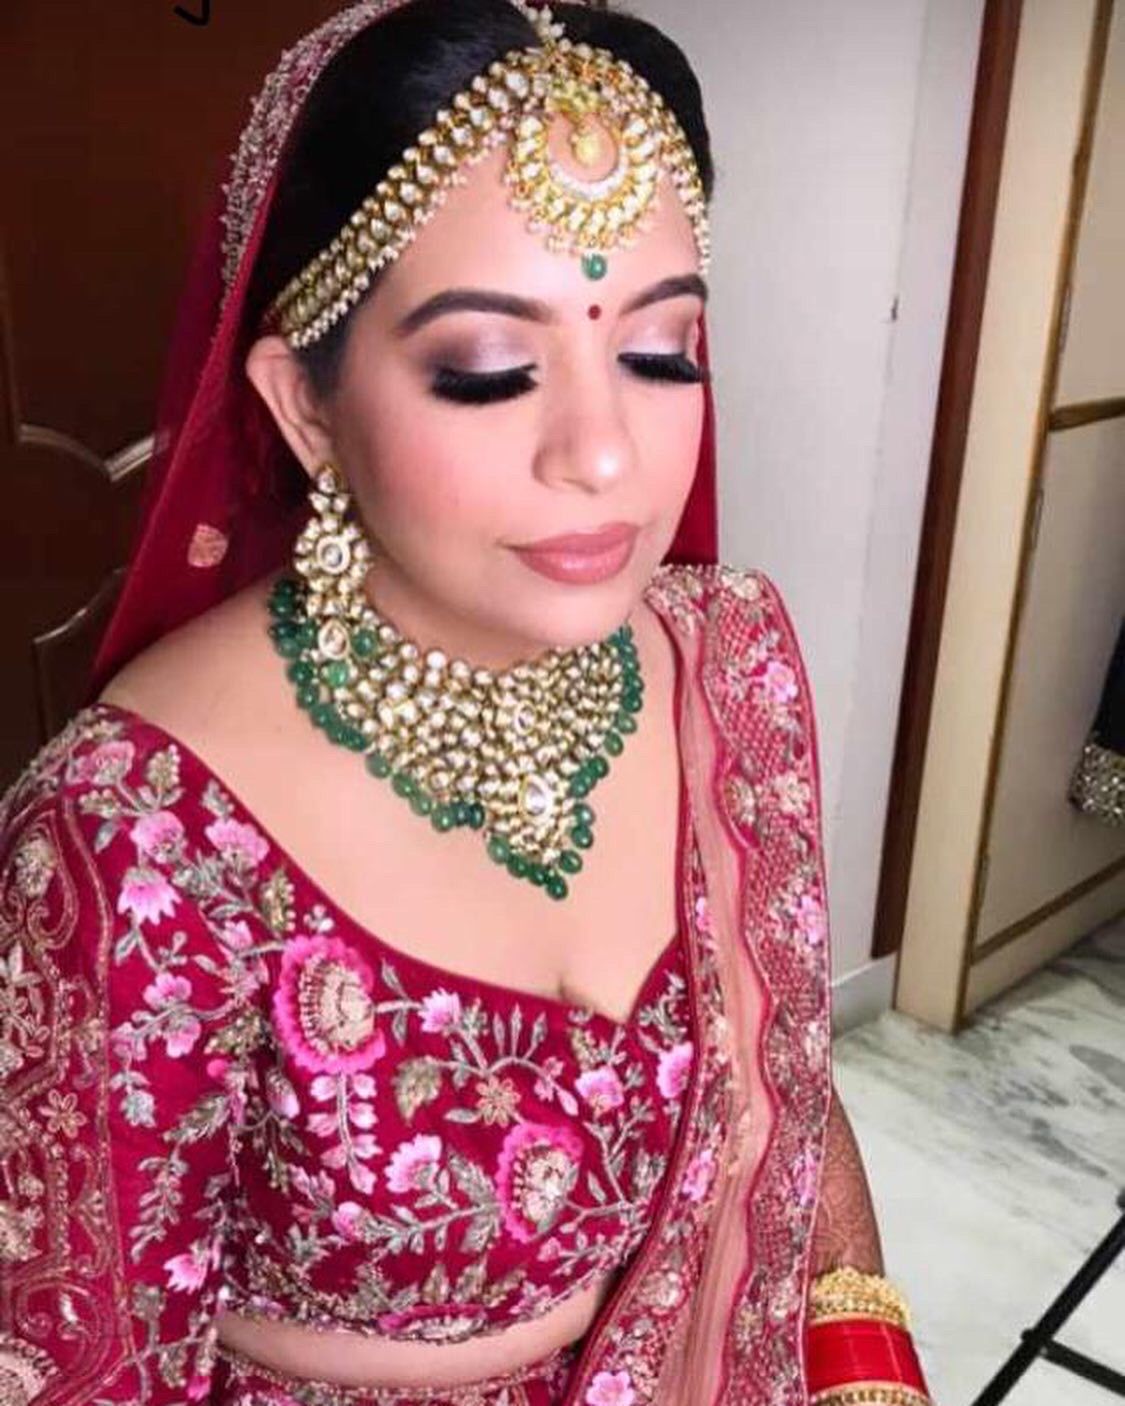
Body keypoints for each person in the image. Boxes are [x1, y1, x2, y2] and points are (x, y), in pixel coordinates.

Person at [0, 2, 937, 1402]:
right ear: (304, 407)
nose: (603, 455)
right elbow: (85, 1362)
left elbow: (782, 1091)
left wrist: (868, 1369)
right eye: (489, 370)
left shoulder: (720, 662)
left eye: (660, 351)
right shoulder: (141, 833)